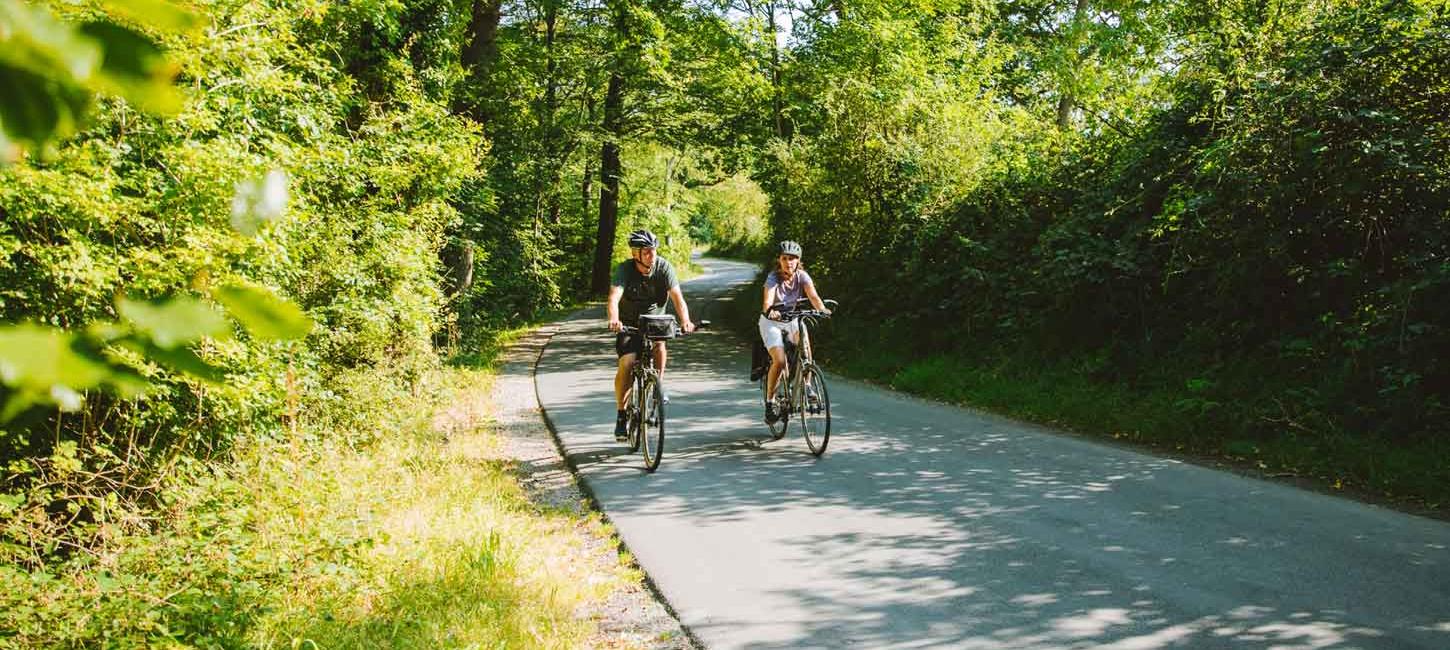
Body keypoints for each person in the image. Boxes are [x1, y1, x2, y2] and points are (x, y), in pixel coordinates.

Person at [607, 229, 696, 441]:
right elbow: (613, 298)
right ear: (635, 253)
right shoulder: (625, 270)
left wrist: (686, 320)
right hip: (629, 324)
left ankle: (658, 385)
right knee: (627, 362)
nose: (651, 255)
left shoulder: (664, 267)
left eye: (653, 250)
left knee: (660, 345)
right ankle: (621, 413)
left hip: (656, 321)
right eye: (646, 252)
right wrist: (614, 319)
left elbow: (678, 298)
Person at [759, 240, 830, 423]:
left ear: (798, 261)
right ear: (779, 260)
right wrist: (770, 310)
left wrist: (822, 309)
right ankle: (770, 402)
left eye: (792, 259)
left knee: (804, 345)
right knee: (780, 361)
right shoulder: (773, 277)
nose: (788, 262)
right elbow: (767, 301)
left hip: (792, 319)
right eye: (785, 258)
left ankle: (807, 385)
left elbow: (813, 296)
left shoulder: (802, 276)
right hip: (772, 322)